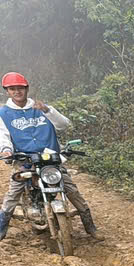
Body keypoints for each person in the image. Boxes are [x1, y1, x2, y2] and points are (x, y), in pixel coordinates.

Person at [0, 71, 98, 241]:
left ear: (27, 88)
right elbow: (3, 136)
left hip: (50, 158)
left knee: (71, 190)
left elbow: (64, 125)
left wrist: (47, 110)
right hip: (24, 160)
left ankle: (90, 227)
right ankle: (2, 229)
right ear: (7, 91)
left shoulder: (41, 108)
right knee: (13, 194)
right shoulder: (3, 113)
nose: (17, 91)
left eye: (20, 88)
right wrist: (6, 150)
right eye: (12, 89)